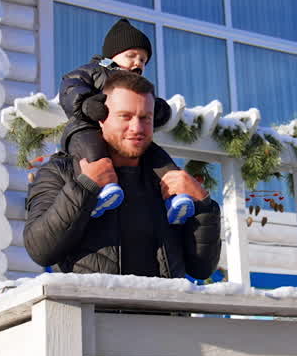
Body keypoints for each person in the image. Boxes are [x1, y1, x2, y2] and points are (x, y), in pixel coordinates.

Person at [24, 69, 222, 278]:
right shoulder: (62, 172)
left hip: (163, 300)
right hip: (92, 300)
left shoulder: (169, 182)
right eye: (125, 116)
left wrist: (204, 206)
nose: (137, 127)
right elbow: (40, 250)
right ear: (102, 118)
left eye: (145, 118)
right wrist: (85, 187)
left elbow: (201, 268)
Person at [58, 18, 195, 224]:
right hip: (86, 127)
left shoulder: (140, 87)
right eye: (131, 56)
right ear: (111, 56)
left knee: (155, 155)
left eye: (143, 60)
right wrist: (86, 104)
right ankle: (100, 191)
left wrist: (157, 111)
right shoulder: (96, 71)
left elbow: (153, 104)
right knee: (91, 149)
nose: (138, 63)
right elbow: (71, 86)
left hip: (126, 136)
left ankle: (175, 196)